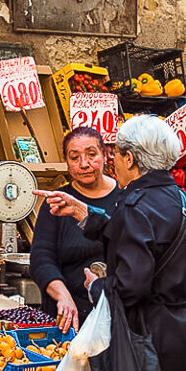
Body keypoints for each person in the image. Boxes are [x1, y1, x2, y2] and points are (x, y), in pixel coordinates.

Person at [36, 115, 186, 371]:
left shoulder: (134, 204)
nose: (113, 161)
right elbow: (144, 236)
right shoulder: (184, 201)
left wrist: (95, 287)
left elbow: (131, 286)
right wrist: (86, 214)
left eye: (116, 155)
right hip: (185, 338)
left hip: (147, 342)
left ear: (130, 158)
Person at [30, 127, 120, 333]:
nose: (84, 164)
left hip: (117, 314)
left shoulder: (125, 198)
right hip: (69, 317)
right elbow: (41, 259)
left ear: (105, 154)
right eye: (74, 157)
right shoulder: (56, 202)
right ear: (66, 161)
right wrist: (63, 295)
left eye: (91, 154)